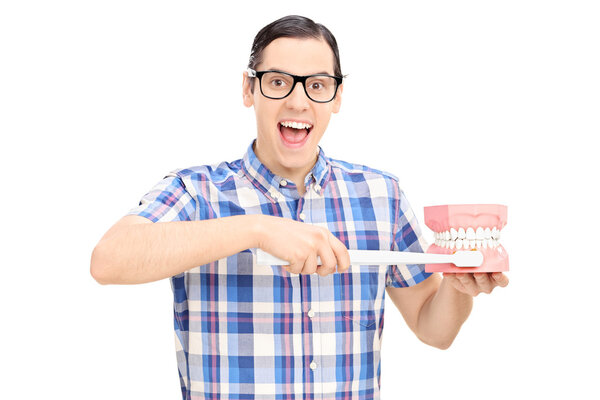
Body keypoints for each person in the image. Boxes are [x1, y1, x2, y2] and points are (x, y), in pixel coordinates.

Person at [90, 15, 509, 399]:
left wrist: (458, 287)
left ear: (337, 97)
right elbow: (108, 260)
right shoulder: (197, 191)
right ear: (248, 88)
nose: (298, 101)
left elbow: (432, 328)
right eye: (277, 82)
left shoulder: (381, 195)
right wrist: (257, 229)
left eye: (317, 84)